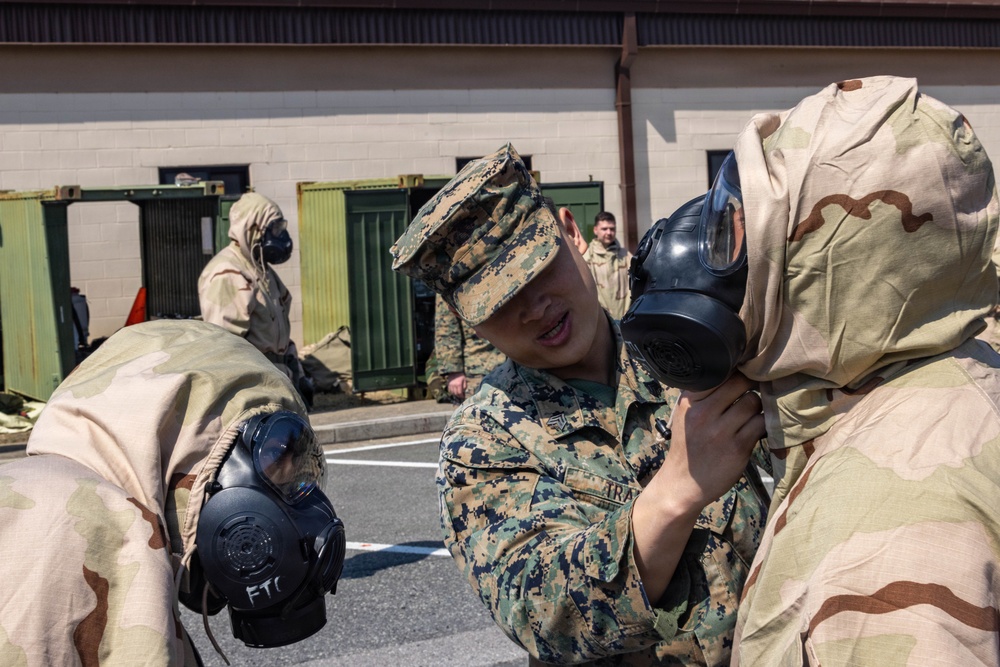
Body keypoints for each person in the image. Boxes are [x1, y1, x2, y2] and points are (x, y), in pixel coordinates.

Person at [623, 76, 1000, 665]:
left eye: (746, 225)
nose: (717, 249)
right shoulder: (954, 371)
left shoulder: (877, 551)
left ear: (830, 261)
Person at [390, 144, 769, 665]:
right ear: (466, 319)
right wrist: (678, 489)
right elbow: (545, 614)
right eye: (499, 300)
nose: (533, 308)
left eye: (538, 268)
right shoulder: (483, 440)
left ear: (571, 232)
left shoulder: (686, 351)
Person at [0, 319, 345, 665]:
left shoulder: (109, 511)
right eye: (274, 463)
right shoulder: (79, 523)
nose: (294, 507)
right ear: (188, 451)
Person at [198, 191, 314, 408]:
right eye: (274, 229)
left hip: (278, 383)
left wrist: (297, 375)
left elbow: (279, 336)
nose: (281, 236)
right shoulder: (228, 273)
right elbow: (224, 349)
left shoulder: (261, 271)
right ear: (252, 228)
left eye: (281, 228)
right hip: (255, 391)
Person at [432, 293, 506, 402]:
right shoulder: (450, 282)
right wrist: (453, 371)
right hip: (478, 367)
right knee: (480, 409)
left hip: (515, 359)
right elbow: (446, 325)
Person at [583, 211, 633, 320]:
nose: (609, 233)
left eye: (612, 229)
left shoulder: (626, 256)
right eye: (604, 229)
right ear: (595, 230)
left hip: (625, 320)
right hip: (600, 322)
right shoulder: (587, 259)